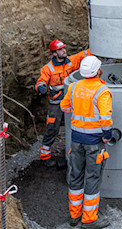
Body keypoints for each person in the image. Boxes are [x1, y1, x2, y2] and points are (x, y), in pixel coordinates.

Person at [61, 56, 112, 228]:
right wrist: (107, 135)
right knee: (92, 178)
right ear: (98, 70)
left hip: (76, 140)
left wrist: (79, 108)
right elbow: (106, 117)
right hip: (94, 142)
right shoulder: (101, 90)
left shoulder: (74, 86)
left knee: (75, 175)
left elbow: (64, 106)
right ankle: (89, 219)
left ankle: (74, 216)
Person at [35, 39, 92, 167]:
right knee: (52, 128)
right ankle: (45, 157)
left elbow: (87, 54)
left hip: (73, 101)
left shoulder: (71, 61)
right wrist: (41, 87)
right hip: (57, 103)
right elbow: (41, 81)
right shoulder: (48, 69)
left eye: (63, 48)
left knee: (78, 125)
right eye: (60, 49)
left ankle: (77, 153)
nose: (64, 51)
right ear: (54, 53)